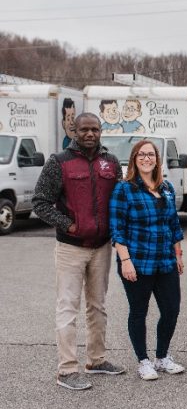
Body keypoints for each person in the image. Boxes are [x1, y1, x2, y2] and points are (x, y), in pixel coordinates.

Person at [32, 113, 126, 390]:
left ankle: (96, 360)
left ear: (100, 131)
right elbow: (40, 202)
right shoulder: (59, 162)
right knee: (67, 307)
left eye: (95, 129)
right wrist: (69, 225)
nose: (90, 134)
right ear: (75, 130)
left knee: (98, 305)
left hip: (101, 247)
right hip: (70, 247)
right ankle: (67, 369)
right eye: (84, 129)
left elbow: (118, 201)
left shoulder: (110, 163)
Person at [109, 140, 185, 380]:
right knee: (139, 311)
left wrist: (178, 255)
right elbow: (117, 228)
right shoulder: (124, 189)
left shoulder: (167, 188)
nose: (146, 158)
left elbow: (173, 224)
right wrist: (125, 261)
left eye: (150, 154)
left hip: (165, 260)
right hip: (138, 261)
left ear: (156, 159)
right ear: (134, 159)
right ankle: (143, 361)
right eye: (141, 154)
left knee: (171, 309)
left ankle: (162, 357)